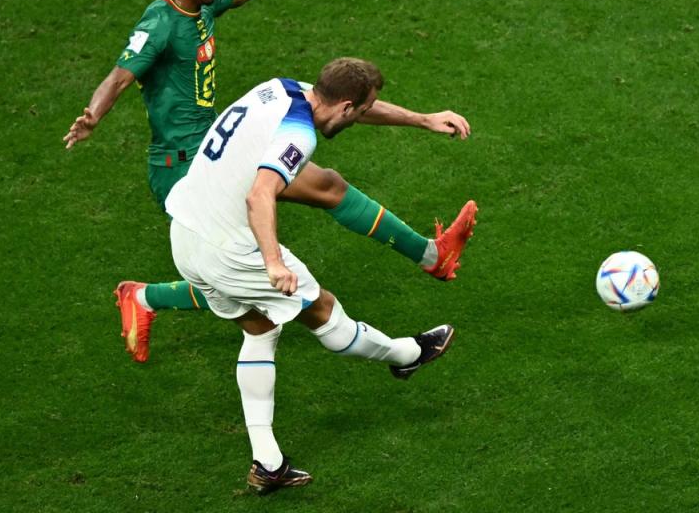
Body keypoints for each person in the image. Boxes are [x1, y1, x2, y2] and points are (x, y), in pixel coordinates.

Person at [62, 0, 477, 362]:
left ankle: (433, 257)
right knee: (234, 278)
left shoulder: (199, 4)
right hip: (182, 167)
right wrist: (93, 115)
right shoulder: (160, 22)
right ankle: (145, 298)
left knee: (329, 187)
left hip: (216, 145)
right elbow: (121, 76)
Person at [166, 57, 476, 494]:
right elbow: (260, 195)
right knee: (324, 311)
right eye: (362, 110)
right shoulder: (299, 135)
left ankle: (268, 463)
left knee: (259, 329)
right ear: (346, 106)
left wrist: (422, 120)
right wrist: (273, 261)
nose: (363, 117)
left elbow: (356, 109)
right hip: (230, 247)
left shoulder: (283, 87)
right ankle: (407, 355)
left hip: (185, 234)